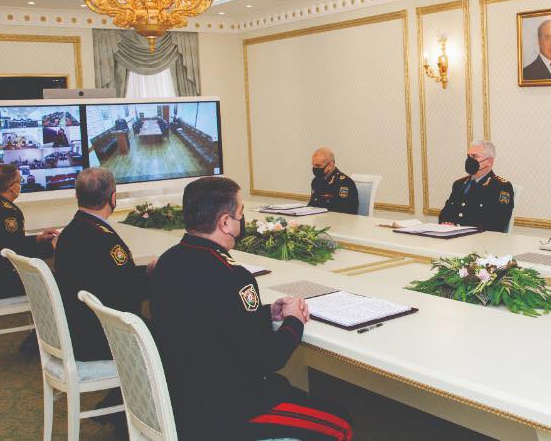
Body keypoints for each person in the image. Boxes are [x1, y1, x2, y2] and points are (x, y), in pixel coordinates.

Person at [149, 177, 354, 440]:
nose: (242, 220)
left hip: (180, 400)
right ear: (225, 223)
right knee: (339, 424)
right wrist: (294, 321)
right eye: (240, 213)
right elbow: (269, 358)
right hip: (228, 412)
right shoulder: (232, 276)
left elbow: (209, 316)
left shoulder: (166, 262)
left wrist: (265, 312)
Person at [54, 168, 152, 361]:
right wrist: (154, 275)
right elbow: (129, 291)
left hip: (79, 330)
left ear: (77, 196)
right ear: (113, 198)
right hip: (107, 338)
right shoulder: (105, 240)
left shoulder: (69, 233)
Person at [0, 163, 57, 354]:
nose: (21, 184)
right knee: (55, 283)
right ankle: (44, 339)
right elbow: (16, 253)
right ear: (12, 187)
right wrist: (51, 247)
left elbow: (7, 243)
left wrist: (38, 238)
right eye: (19, 181)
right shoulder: (8, 212)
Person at [438, 140, 515, 232]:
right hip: (453, 236)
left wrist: (462, 230)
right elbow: (445, 213)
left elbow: (498, 222)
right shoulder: (459, 184)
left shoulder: (501, 187)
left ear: (489, 161)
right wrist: (447, 223)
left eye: (474, 156)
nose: (469, 160)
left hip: (480, 239)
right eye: (468, 156)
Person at [307, 147, 360, 215]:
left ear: (330, 165)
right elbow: (312, 205)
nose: (315, 168)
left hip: (339, 219)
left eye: (318, 166)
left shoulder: (344, 183)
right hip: (319, 218)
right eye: (313, 165)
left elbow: (344, 211)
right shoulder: (316, 181)